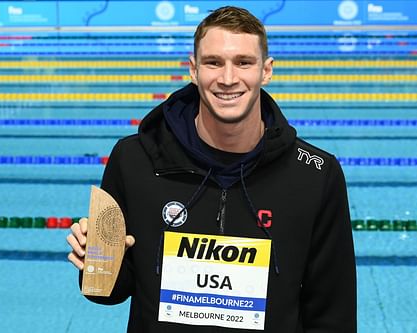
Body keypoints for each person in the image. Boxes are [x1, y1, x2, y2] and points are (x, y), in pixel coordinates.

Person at [67, 6, 356, 332]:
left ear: (266, 70)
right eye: (213, 62)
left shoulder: (315, 175)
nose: (228, 78)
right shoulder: (135, 160)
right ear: (193, 70)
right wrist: (95, 261)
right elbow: (109, 292)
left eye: (243, 63)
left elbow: (334, 314)